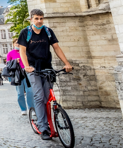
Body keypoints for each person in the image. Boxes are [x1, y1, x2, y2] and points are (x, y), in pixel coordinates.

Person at [17, 9, 73, 141]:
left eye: (41, 18)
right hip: (33, 69)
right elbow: (22, 51)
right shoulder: (26, 32)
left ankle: (50, 121)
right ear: (31, 19)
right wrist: (27, 67)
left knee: (48, 97)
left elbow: (56, 48)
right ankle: (43, 128)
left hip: (47, 67)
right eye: (36, 18)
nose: (39, 21)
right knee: (39, 96)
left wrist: (66, 63)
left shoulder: (48, 32)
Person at [7, 42, 34, 116]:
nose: (18, 44)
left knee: (30, 91)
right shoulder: (10, 53)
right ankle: (23, 109)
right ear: (13, 44)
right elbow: (8, 64)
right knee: (20, 92)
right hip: (17, 74)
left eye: (19, 43)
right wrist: (15, 61)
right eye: (16, 43)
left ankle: (32, 108)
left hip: (26, 72)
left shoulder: (25, 51)